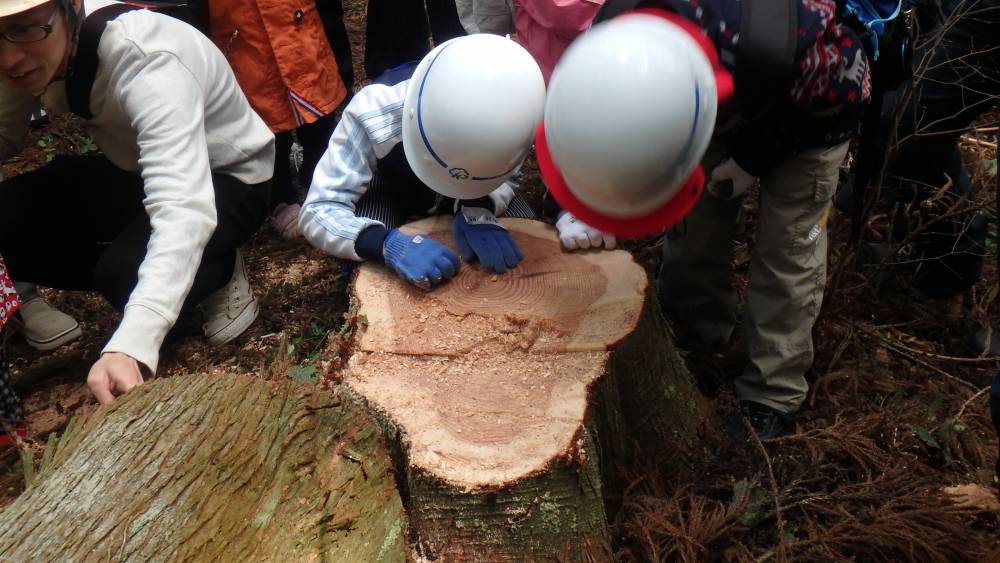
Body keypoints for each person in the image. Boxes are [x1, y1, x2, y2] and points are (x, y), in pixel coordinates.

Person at [540, 0, 873, 439]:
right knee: (697, 229)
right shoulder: (612, 31)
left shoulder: (772, 48)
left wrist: (752, 159)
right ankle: (695, 335)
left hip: (813, 117)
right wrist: (586, 198)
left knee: (787, 251)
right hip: (713, 102)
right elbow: (589, 125)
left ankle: (771, 390)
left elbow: (846, 97)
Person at [0, 0, 275, 404]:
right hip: (135, 170)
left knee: (124, 273)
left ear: (69, 9)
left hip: (230, 177)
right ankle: (154, 262)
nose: (9, 57)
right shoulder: (25, 50)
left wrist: (132, 344)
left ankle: (217, 270)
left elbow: (183, 204)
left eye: (24, 27)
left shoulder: (146, 57)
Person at [300, 34, 544, 289]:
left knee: (526, 236)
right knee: (364, 268)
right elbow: (320, 207)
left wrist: (480, 205)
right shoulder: (373, 112)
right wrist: (382, 243)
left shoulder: (519, 113)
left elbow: (510, 175)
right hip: (389, 190)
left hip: (476, 191)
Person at [208, 0, 349, 240]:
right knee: (263, 112)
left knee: (315, 95)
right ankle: (280, 196)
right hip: (240, 29)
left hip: (295, 17)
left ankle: (324, 177)